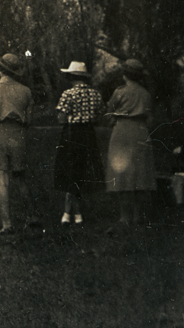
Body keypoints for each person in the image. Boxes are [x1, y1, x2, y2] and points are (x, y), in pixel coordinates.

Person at [0, 53, 35, 234]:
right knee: (21, 179)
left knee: (1, 181)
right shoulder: (25, 91)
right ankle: (32, 217)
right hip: (18, 134)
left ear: (0, 70)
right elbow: (29, 120)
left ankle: (7, 224)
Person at [105, 59, 156, 227]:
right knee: (139, 174)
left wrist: (114, 120)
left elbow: (110, 111)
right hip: (140, 132)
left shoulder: (119, 92)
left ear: (125, 75)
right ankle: (137, 215)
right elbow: (150, 118)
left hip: (122, 132)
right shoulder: (146, 93)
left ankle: (124, 217)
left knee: (122, 174)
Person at [53, 61, 105, 225]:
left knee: (71, 171)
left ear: (71, 76)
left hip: (72, 133)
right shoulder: (95, 94)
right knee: (81, 171)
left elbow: (61, 118)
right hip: (88, 133)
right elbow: (99, 116)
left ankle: (71, 213)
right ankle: (75, 213)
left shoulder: (68, 94)